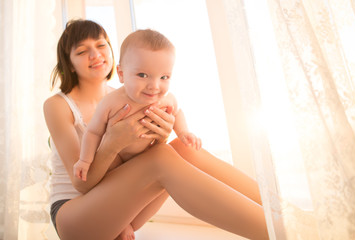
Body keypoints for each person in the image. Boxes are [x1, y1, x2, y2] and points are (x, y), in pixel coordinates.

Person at [43, 19, 269, 240]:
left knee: (182, 147)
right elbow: (82, 184)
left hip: (121, 211)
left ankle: (283, 215)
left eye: (101, 45)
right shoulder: (59, 105)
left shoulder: (131, 93)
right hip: (74, 215)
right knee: (161, 157)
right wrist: (113, 143)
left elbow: (138, 161)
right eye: (82, 51)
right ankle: (276, 232)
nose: (95, 55)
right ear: (69, 62)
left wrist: (161, 135)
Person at [73, 29, 201, 182]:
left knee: (182, 153)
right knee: (112, 173)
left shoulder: (166, 99)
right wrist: (84, 161)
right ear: (121, 73)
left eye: (164, 77)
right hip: (117, 158)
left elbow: (177, 112)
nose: (154, 86)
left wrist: (183, 132)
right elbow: (93, 132)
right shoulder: (111, 102)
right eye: (142, 75)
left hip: (146, 155)